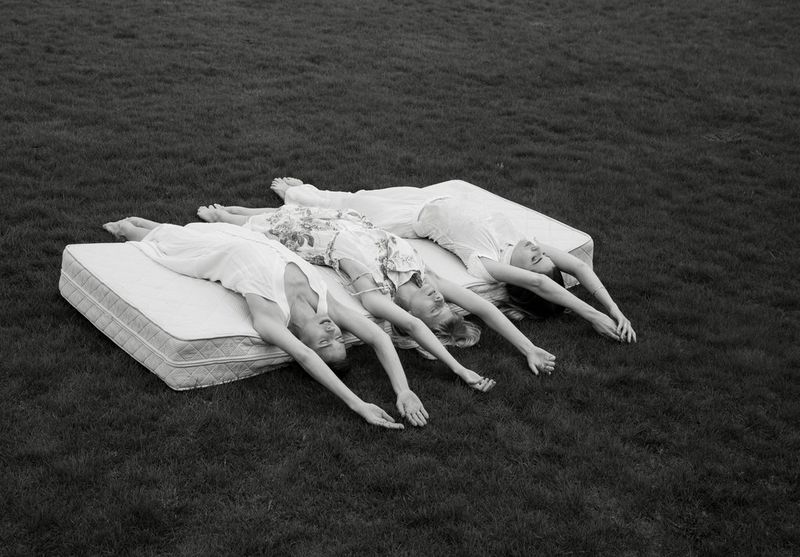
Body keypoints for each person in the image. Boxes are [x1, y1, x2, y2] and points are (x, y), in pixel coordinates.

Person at [102, 216, 429, 429]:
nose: (332, 332)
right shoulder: (328, 305)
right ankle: (147, 227)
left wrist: (358, 405)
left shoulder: (271, 319)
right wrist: (403, 391)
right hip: (248, 238)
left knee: (152, 236)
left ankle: (129, 231)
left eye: (324, 342)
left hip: (216, 250)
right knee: (172, 228)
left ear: (305, 341)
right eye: (339, 339)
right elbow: (379, 338)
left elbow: (304, 358)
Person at [225, 177, 635, 343]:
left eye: (535, 262)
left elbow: (545, 285)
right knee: (353, 202)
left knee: (350, 206)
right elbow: (577, 269)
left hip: (411, 217)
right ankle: (292, 201)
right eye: (544, 256)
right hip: (424, 197)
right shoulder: (517, 239)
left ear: (520, 278)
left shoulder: (484, 262)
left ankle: (294, 196)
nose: (538, 253)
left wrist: (592, 317)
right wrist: (613, 310)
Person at [196, 204, 557, 385]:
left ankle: (227, 219)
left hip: (307, 235)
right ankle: (237, 212)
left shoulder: (376, 297)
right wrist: (528, 347)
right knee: (289, 209)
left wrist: (461, 370)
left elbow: (414, 329)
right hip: (345, 219)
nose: (438, 299)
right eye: (445, 304)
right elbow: (484, 308)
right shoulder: (422, 274)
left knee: (265, 221)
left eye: (436, 311)